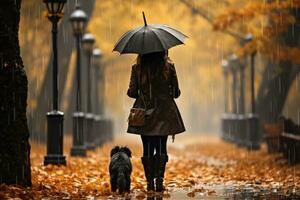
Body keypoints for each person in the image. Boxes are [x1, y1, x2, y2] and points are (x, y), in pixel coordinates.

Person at [126, 51, 185, 192]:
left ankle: (149, 183)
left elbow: (132, 92)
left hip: (144, 114)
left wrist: (138, 88)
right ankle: (159, 181)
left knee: (147, 147)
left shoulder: (137, 68)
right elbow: (176, 93)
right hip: (163, 113)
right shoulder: (169, 67)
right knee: (161, 146)